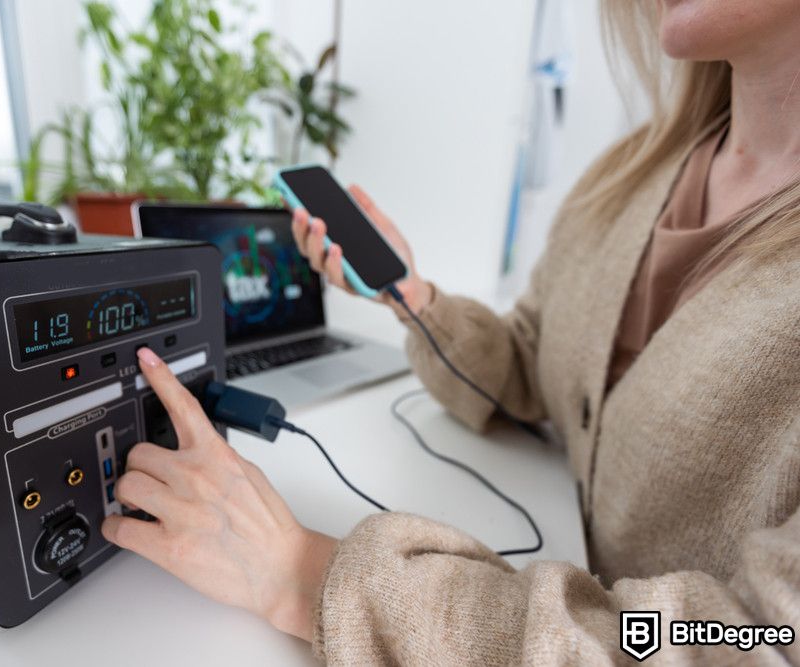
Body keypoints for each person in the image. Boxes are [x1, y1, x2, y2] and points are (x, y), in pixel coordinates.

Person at [102, 0, 800, 662]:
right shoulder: (625, 179)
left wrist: (298, 573)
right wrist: (413, 296)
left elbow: (750, 643)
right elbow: (530, 362)